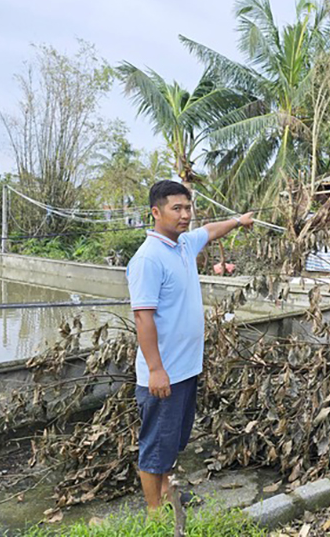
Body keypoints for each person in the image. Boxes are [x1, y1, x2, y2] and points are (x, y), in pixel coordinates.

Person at [126, 180, 254, 513]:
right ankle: (155, 516)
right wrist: (155, 370)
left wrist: (239, 221)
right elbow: (143, 319)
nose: (185, 215)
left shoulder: (182, 244)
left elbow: (210, 231)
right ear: (156, 212)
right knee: (155, 447)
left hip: (186, 369)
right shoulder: (148, 259)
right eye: (176, 208)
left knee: (173, 441)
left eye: (188, 207)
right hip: (163, 373)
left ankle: (169, 494)